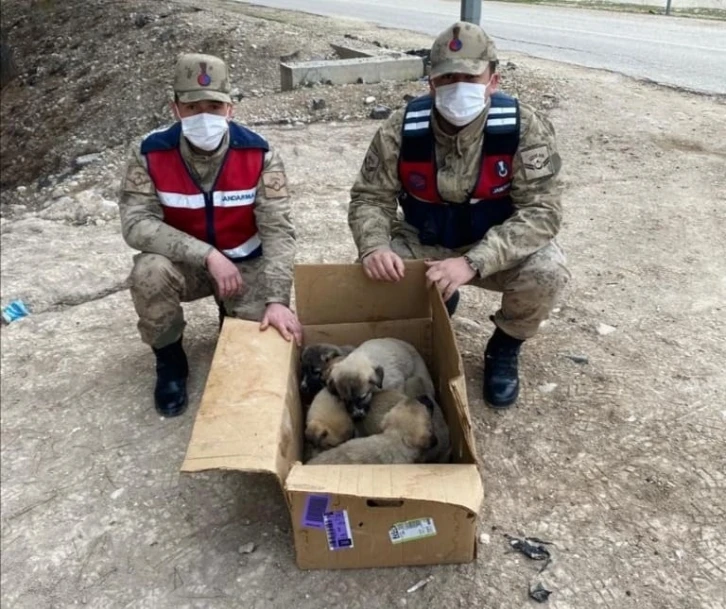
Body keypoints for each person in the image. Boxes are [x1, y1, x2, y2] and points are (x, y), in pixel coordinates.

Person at [348, 23, 570, 409]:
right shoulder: (401, 128)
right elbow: (370, 197)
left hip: (492, 245)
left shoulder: (523, 127)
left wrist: (473, 262)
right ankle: (437, 308)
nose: (458, 86)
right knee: (368, 277)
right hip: (424, 240)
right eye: (447, 77)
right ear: (431, 83)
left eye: (470, 77)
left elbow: (542, 212)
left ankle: (505, 346)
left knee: (547, 271)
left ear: (493, 80)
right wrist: (374, 246)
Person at [119, 53, 302, 418]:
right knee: (148, 272)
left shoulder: (260, 154)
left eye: (214, 106)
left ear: (230, 108)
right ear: (175, 108)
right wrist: (208, 255)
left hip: (245, 266)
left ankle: (230, 312)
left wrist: (278, 299)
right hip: (185, 266)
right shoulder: (149, 154)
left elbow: (278, 231)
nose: (204, 116)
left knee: (261, 355)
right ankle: (170, 361)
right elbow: (136, 224)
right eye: (192, 107)